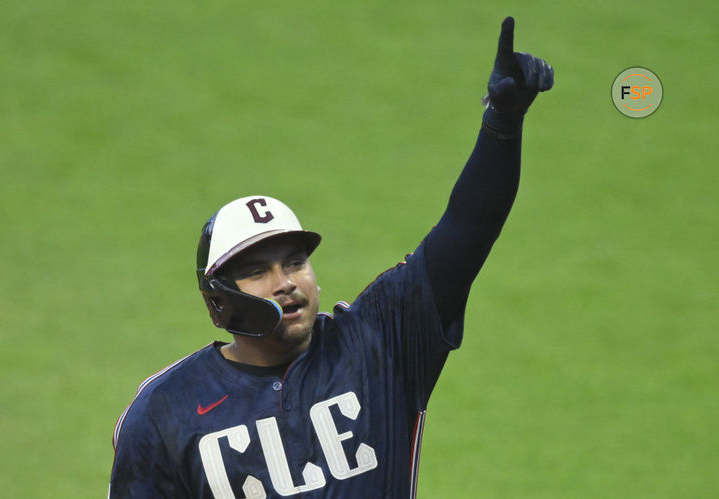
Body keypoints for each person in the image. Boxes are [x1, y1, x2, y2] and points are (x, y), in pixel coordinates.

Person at [109, 16, 553, 499]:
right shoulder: (164, 411)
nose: (285, 282)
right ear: (220, 301)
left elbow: (468, 229)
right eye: (257, 271)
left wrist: (502, 126)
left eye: (295, 262)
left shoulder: (381, 342)